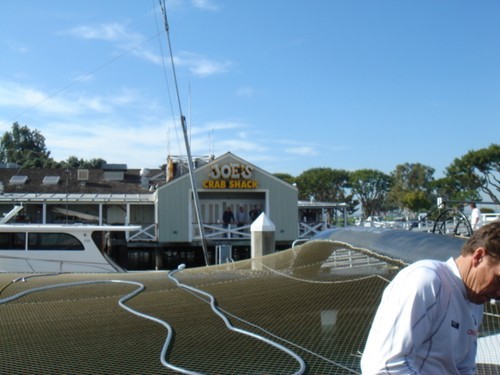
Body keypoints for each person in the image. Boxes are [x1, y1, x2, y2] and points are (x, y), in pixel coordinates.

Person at [360, 221, 500, 374]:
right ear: (479, 256)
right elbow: (383, 367)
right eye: (499, 279)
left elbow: (464, 368)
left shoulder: (476, 300)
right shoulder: (425, 280)